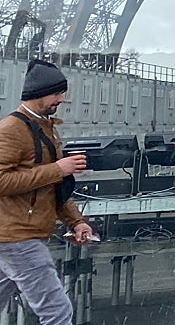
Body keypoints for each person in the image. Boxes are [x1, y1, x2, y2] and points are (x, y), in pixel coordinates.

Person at [0, 59, 96, 325]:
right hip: (20, 238)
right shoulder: (11, 129)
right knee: (57, 312)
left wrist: (77, 222)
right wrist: (58, 168)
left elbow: (52, 187)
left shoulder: (44, 128)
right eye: (56, 93)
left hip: (15, 236)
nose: (61, 99)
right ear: (38, 93)